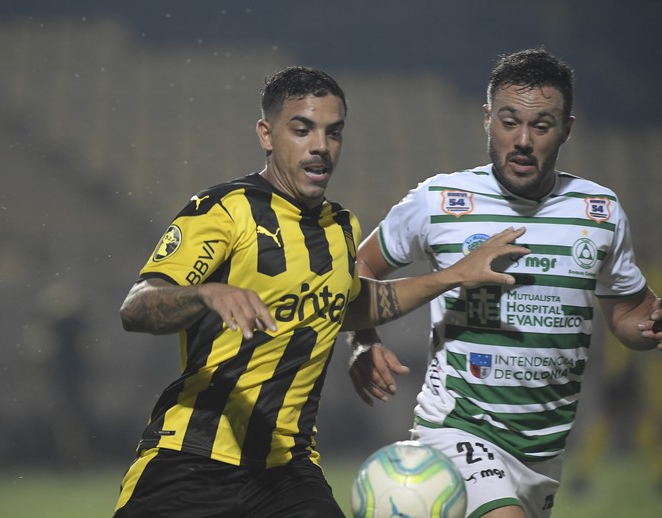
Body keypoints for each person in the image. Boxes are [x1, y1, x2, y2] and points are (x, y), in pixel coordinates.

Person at [113, 66, 529, 518]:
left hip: (288, 472)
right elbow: (137, 307)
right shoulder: (224, 210)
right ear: (267, 135)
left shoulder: (341, 227)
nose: (320, 146)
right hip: (190, 461)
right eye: (302, 129)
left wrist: (450, 277)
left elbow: (351, 304)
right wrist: (205, 295)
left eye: (334, 133)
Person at [348, 48, 662, 518]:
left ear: (567, 130)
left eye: (541, 126)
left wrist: (653, 324)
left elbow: (629, 313)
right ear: (486, 119)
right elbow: (358, 269)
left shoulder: (599, 211)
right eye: (508, 121)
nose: (522, 140)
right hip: (460, 427)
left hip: (545, 447)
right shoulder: (440, 201)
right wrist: (360, 340)